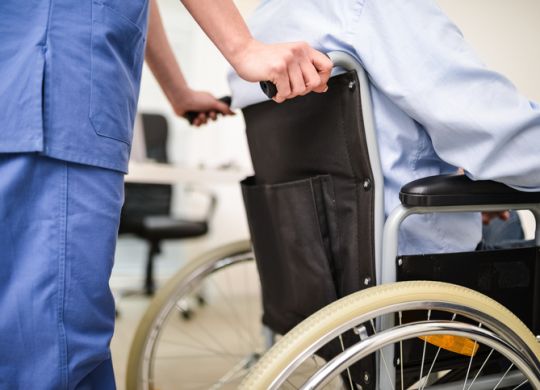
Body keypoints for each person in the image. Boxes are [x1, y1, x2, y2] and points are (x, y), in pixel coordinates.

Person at [0, 0, 332, 388]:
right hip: (55, 96)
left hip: (25, 90)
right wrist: (244, 48)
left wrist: (177, 90)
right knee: (50, 345)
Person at [228, 0, 540, 255]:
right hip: (413, 269)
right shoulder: (371, 8)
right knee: (510, 212)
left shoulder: (260, 26)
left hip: (319, 278)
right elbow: (503, 138)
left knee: (500, 215)